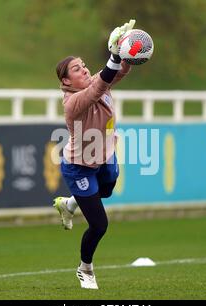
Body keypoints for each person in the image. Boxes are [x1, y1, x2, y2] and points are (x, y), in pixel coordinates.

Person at [53, 19, 136, 290]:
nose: (85, 69)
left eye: (84, 65)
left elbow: (117, 73)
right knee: (99, 225)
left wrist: (128, 50)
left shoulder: (97, 83)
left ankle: (70, 205)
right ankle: (85, 269)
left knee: (108, 188)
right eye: (77, 69)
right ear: (66, 81)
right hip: (79, 167)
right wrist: (113, 56)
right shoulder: (73, 102)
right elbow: (100, 85)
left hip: (105, 157)